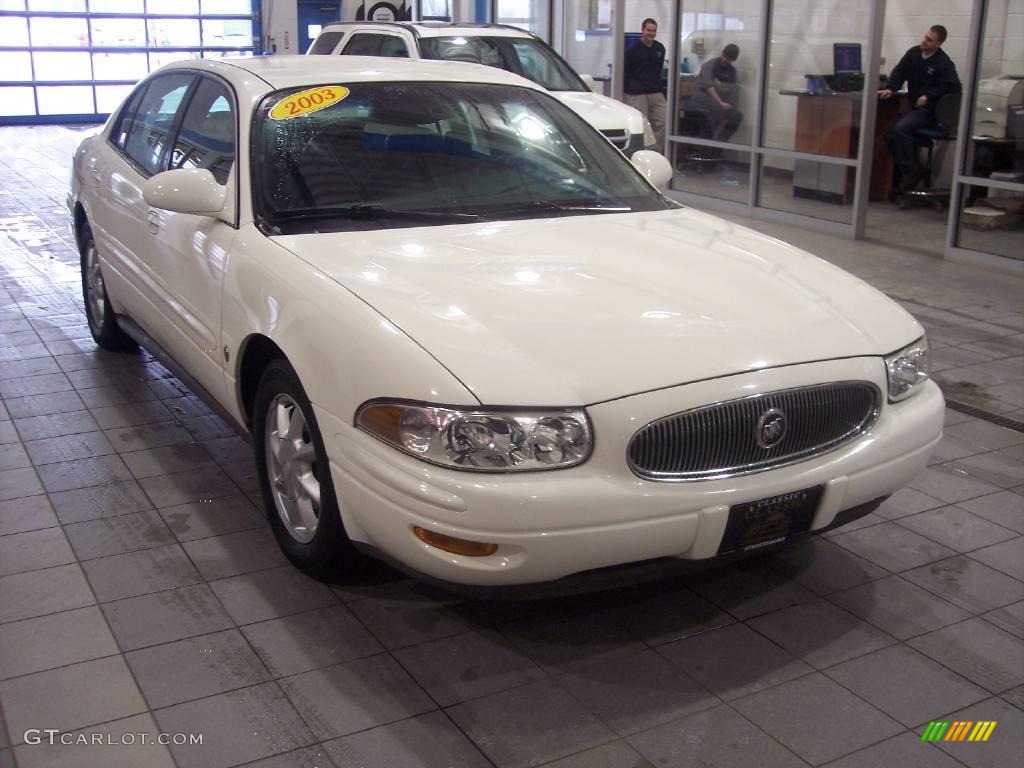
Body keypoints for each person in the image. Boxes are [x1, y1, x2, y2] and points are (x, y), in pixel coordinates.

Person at [880, 25, 961, 192]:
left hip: (930, 111)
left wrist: (929, 96)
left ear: (938, 44)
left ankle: (910, 172)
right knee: (889, 133)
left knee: (901, 128)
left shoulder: (943, 63)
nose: (924, 41)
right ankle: (914, 169)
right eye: (925, 37)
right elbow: (900, 71)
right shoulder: (914, 53)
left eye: (929, 40)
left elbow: (953, 88)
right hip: (914, 107)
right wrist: (891, 88)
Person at [623, 18, 666, 149]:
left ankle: (656, 152)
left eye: (654, 31)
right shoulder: (632, 49)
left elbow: (658, 70)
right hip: (638, 93)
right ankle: (642, 152)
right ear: (642, 30)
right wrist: (626, 91)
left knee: (662, 122)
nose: (651, 33)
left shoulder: (660, 48)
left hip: (656, 92)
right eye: (649, 30)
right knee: (642, 125)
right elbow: (626, 71)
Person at [688, 44, 743, 145]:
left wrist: (730, 104)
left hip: (720, 102)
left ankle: (721, 143)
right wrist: (721, 103)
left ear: (733, 60)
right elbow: (709, 87)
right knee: (718, 111)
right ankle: (705, 144)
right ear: (722, 53)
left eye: (728, 59)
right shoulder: (710, 64)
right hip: (702, 97)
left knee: (737, 116)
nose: (724, 60)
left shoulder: (731, 71)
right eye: (724, 56)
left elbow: (733, 88)